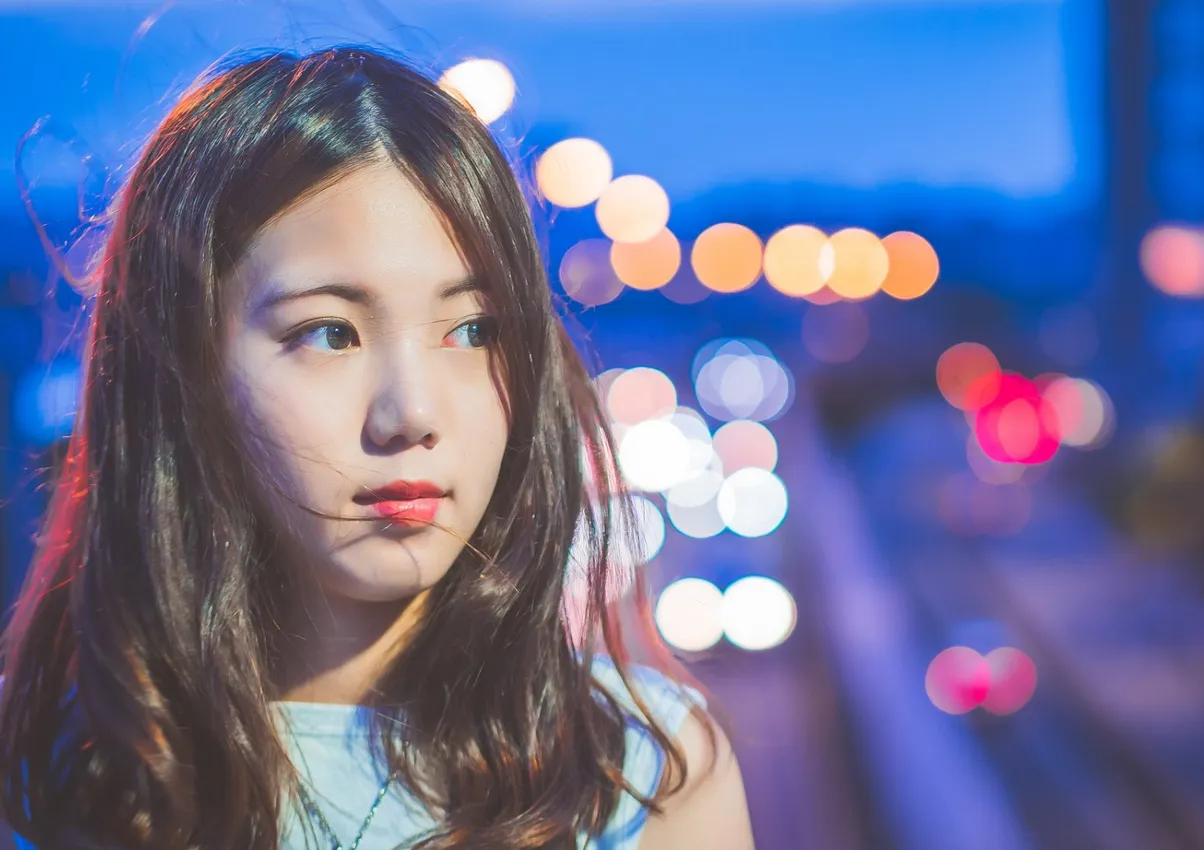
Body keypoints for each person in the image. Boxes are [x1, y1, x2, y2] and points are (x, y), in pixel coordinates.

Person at [0, 46, 753, 850]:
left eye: (473, 330)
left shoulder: (642, 779)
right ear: (183, 365)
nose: (412, 413)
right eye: (330, 333)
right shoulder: (38, 778)